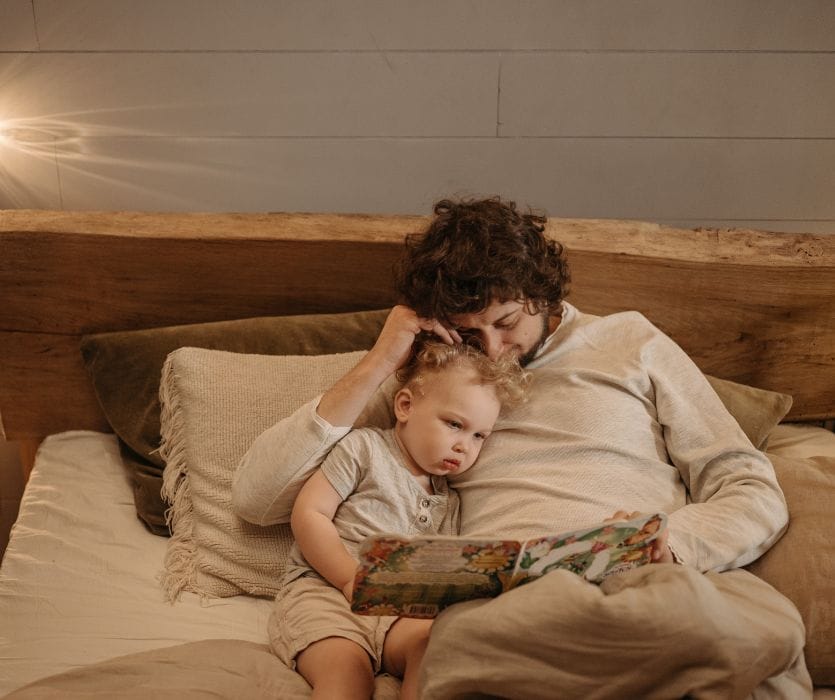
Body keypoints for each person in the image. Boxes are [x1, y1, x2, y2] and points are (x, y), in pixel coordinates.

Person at [233, 197, 812, 698]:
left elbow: (746, 482)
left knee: (767, 627)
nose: (493, 351)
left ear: (540, 292)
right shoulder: (436, 379)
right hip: (507, 598)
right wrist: (383, 359)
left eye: (506, 322)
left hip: (650, 569)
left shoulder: (630, 341)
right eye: (469, 333)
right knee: (467, 643)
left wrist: (676, 542)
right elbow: (257, 497)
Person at [265, 340, 529, 700]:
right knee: (348, 675)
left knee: (434, 648)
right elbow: (309, 514)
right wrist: (348, 578)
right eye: (454, 424)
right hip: (325, 592)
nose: (464, 445)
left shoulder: (448, 499)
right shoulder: (364, 449)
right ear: (405, 406)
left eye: (479, 435)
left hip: (397, 611)